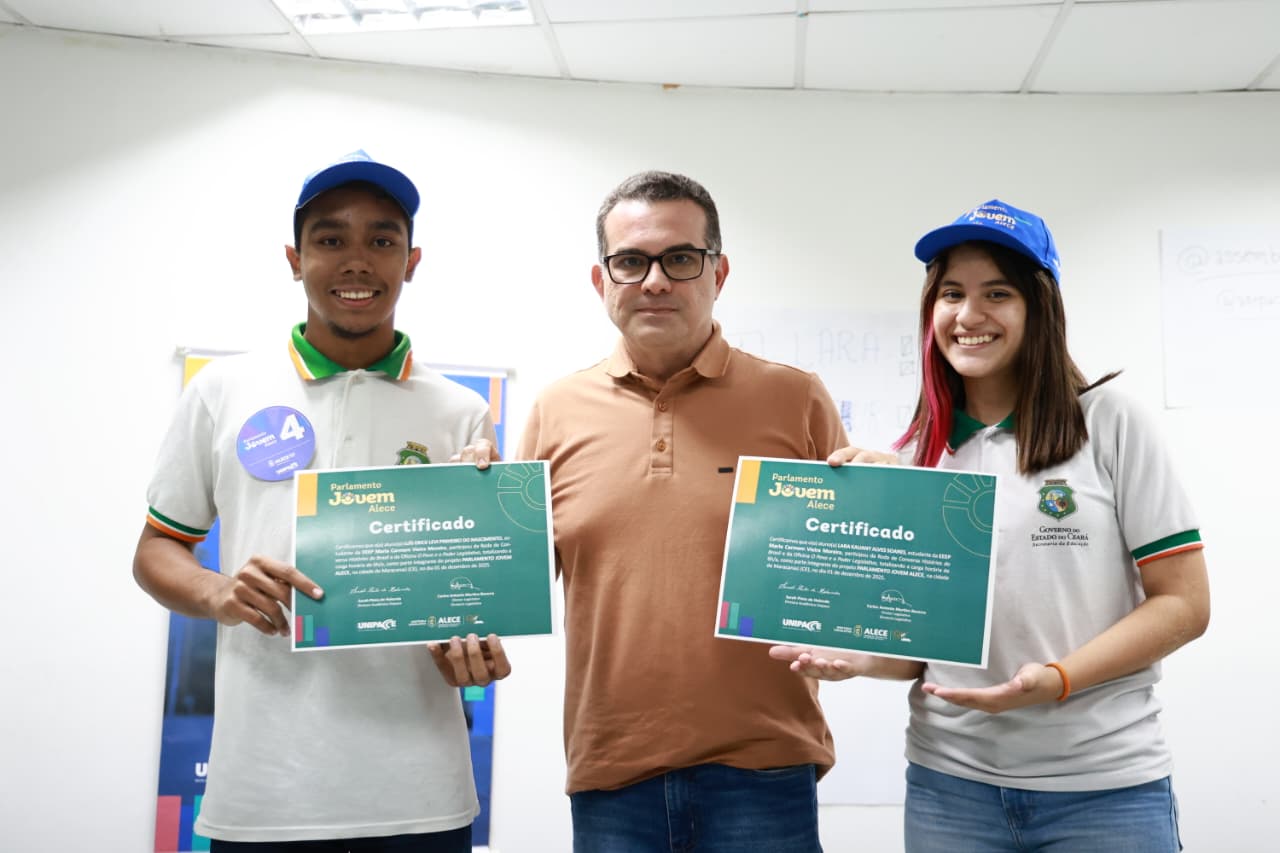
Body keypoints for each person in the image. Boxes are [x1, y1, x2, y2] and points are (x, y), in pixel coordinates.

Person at [771, 199, 1210, 852]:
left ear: (1039, 307)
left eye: (995, 293)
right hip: (953, 789)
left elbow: (1184, 603)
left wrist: (1056, 678)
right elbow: (928, 643)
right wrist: (856, 655)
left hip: (1104, 787)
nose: (968, 315)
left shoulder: (1109, 422)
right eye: (951, 293)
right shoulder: (921, 452)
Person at [133, 150, 511, 852]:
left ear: (412, 259)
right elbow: (157, 548)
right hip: (261, 792)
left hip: (422, 795)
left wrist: (479, 636)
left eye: (382, 239)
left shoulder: (461, 412)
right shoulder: (223, 389)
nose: (357, 260)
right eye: (331, 239)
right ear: (294, 257)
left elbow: (474, 593)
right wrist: (217, 592)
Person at [460, 171, 848, 851]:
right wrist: (465, 524)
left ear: (718, 272)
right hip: (613, 773)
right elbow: (507, 584)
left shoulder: (797, 398)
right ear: (600, 279)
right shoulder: (555, 410)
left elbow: (849, 576)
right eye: (631, 261)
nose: (655, 280)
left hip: (765, 768)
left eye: (680, 258)